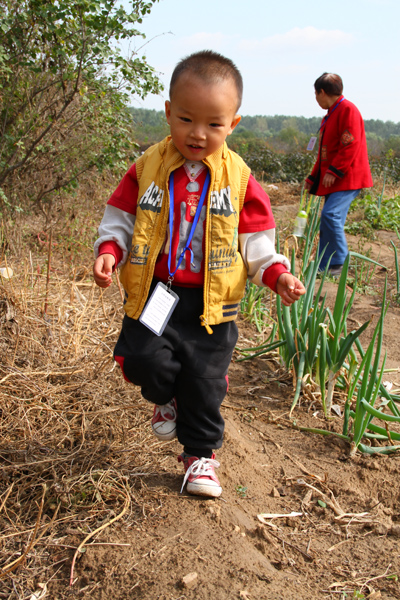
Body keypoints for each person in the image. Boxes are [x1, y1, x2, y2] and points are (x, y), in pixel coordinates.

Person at [93, 50, 306, 498]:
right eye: (187, 118)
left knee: (204, 386)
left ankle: (200, 459)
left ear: (234, 123)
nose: (198, 133)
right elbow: (121, 216)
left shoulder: (240, 179)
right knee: (142, 360)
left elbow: (257, 244)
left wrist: (277, 274)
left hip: (213, 306)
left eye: (214, 123)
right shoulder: (147, 166)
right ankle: (166, 397)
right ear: (168, 112)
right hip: (157, 293)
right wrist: (110, 250)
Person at [305, 72, 373, 275]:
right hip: (334, 179)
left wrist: (335, 171)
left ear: (322, 92)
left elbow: (351, 144)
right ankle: (324, 266)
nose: (316, 99)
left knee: (331, 215)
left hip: (348, 177)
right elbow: (324, 152)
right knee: (327, 223)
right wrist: (313, 176)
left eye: (316, 94)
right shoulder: (332, 113)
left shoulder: (347, 110)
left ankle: (341, 261)